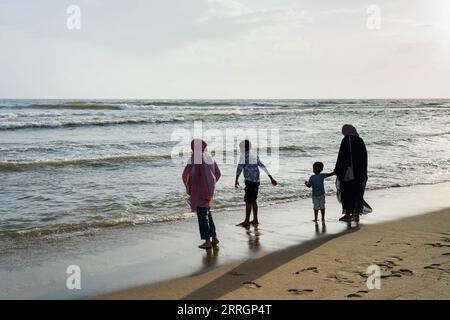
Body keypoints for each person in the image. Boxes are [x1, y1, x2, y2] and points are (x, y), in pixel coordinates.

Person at [182, 139, 221, 249]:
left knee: (202, 216)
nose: (191, 148)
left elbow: (193, 173)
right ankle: (214, 238)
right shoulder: (210, 157)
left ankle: (207, 241)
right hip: (209, 190)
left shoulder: (197, 157)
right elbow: (218, 173)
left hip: (200, 191)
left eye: (192, 146)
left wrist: (190, 185)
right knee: (208, 214)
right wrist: (211, 184)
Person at [235, 140, 277, 227]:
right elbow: (263, 166)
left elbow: (239, 168)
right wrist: (271, 178)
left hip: (249, 181)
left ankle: (247, 221)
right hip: (256, 181)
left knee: (248, 201)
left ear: (245, 147)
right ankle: (255, 219)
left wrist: (236, 179)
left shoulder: (243, 156)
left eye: (241, 148)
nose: (240, 149)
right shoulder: (254, 155)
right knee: (253, 200)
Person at [334, 124, 369, 222]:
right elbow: (364, 158)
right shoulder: (360, 140)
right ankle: (356, 214)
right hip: (359, 173)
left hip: (348, 174)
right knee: (357, 193)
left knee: (347, 193)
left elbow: (342, 157)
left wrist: (337, 169)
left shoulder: (346, 140)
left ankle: (348, 214)